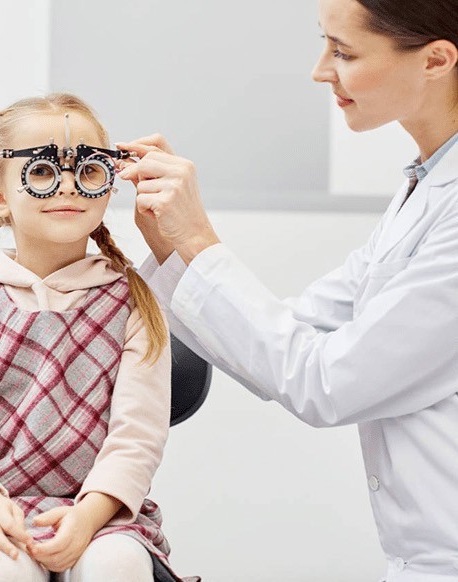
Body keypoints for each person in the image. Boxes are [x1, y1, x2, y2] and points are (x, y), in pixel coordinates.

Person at [116, 0, 458, 580]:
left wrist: (197, 241)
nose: (320, 70)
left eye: (344, 52)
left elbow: (328, 382)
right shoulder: (426, 187)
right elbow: (295, 329)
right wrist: (174, 248)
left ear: (436, 59)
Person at [0, 93, 192, 582]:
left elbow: (136, 439)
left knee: (117, 565)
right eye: (45, 171)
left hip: (103, 516)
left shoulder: (137, 306)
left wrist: (88, 516)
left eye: (89, 171)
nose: (68, 185)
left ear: (110, 187)